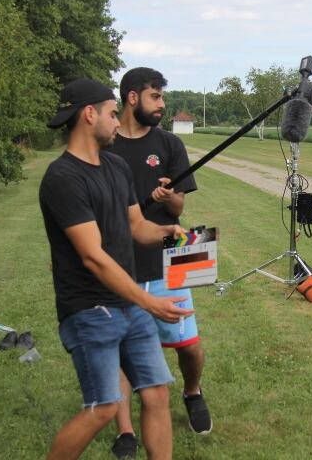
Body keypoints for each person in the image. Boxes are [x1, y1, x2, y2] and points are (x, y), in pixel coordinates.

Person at [39, 78, 193, 460]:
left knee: (156, 392)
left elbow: (136, 227)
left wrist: (167, 231)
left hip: (128, 305)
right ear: (89, 115)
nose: (116, 122)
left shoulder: (116, 166)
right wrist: (149, 301)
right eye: (111, 113)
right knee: (104, 407)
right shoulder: (63, 178)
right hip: (90, 309)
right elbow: (93, 256)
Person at [107, 67, 211, 457]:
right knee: (117, 348)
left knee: (187, 344)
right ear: (132, 97)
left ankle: (192, 391)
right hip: (119, 259)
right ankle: (126, 430)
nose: (162, 105)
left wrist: (169, 199)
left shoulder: (169, 144)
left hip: (169, 258)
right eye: (156, 97)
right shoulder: (106, 143)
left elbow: (181, 203)